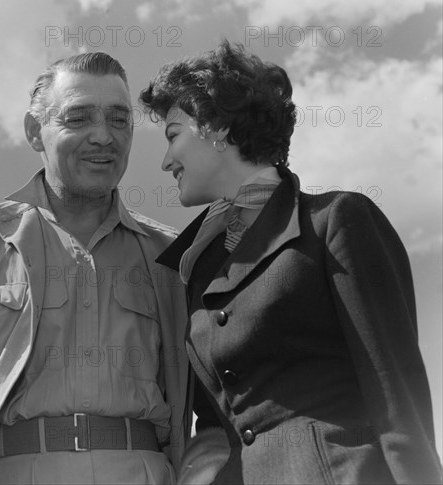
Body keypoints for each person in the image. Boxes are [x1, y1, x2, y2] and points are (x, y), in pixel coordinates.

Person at [0, 52, 190, 485]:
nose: (103, 136)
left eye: (119, 120)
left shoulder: (173, 257)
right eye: (78, 118)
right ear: (34, 131)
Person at [139, 40, 443, 485]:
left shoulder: (336, 220)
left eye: (172, 136)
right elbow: (215, 427)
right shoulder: (196, 266)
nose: (165, 161)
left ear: (217, 127)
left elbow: (397, 399)